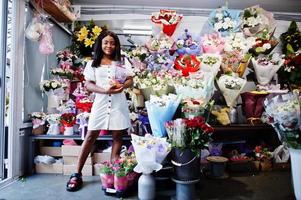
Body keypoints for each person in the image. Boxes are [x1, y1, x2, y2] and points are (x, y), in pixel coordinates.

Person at [66, 30, 133, 192]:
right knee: (90, 136)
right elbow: (88, 84)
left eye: (112, 42)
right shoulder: (93, 63)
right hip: (100, 102)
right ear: (100, 44)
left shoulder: (123, 61)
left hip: (118, 103)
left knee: (118, 136)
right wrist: (104, 91)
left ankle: (112, 174)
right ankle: (76, 173)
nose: (109, 46)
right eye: (106, 42)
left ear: (116, 45)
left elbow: (131, 79)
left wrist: (122, 86)